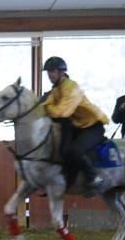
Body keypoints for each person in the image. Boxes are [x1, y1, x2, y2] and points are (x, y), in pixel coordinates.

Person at [40, 56, 110, 194]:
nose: (49, 75)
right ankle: (67, 180)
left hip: (93, 126)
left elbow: (61, 112)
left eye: (52, 71)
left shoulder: (71, 87)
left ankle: (94, 178)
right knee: (61, 150)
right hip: (78, 125)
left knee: (74, 151)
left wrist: (45, 108)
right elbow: (45, 104)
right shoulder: (56, 88)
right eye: (48, 72)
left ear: (61, 72)